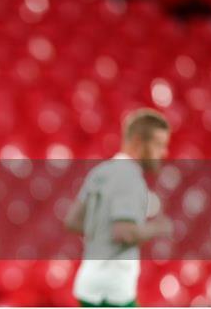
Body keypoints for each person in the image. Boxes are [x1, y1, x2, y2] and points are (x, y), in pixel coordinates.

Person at [65, 108, 173, 307]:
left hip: (89, 281)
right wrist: (159, 228)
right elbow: (124, 233)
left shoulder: (101, 171)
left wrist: (100, 230)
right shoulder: (129, 177)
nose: (163, 153)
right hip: (113, 288)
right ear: (139, 142)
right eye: (159, 145)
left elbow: (73, 221)